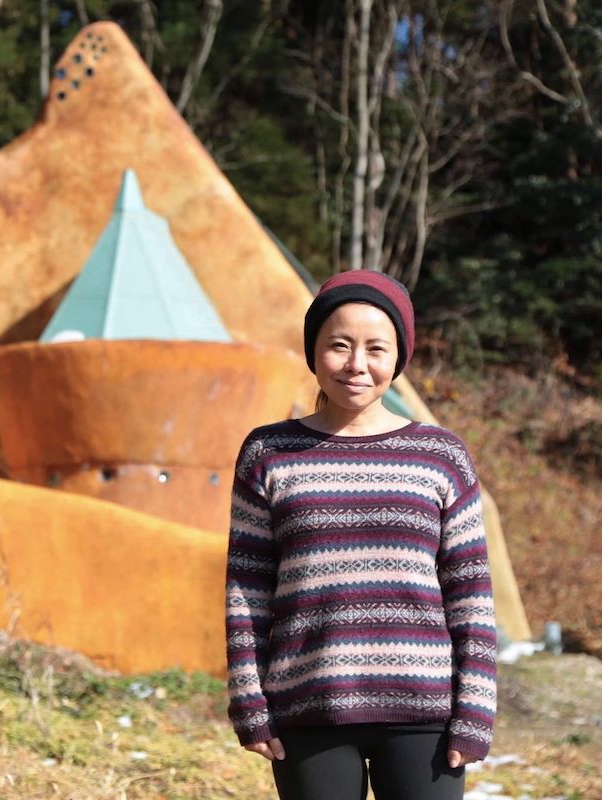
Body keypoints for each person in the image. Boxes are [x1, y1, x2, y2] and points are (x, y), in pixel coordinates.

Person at [224, 270, 497, 800]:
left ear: (399, 358)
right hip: (309, 707)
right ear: (313, 351)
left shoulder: (441, 456)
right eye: (339, 345)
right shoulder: (268, 452)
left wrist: (475, 708)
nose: (356, 365)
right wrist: (250, 702)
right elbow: (247, 591)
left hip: (426, 714)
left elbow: (470, 593)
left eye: (376, 348)